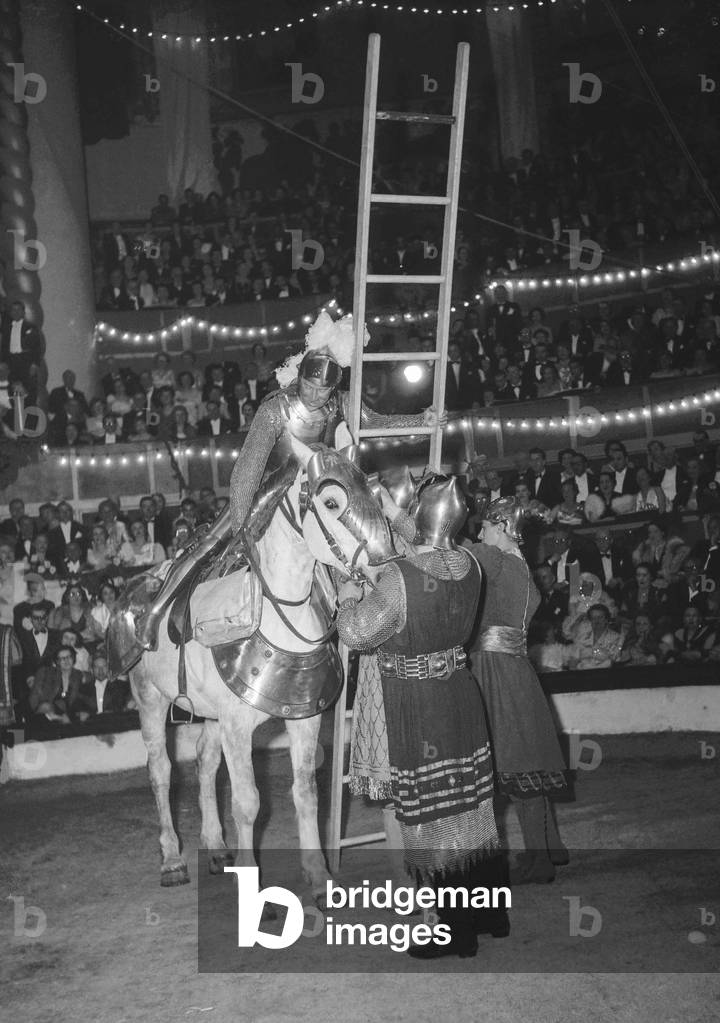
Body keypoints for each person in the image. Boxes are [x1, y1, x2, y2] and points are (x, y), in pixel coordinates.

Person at [132, 311, 444, 658]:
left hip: (327, 488)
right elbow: (246, 470)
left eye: (323, 389)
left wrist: (421, 420)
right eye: (310, 385)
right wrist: (242, 526)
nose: (316, 394)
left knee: (359, 540)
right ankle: (154, 612)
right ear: (300, 377)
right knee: (209, 543)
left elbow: (376, 424)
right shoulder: (276, 409)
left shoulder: (341, 402)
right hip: (275, 489)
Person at [337, 477, 509, 958]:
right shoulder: (469, 564)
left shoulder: (400, 576)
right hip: (460, 693)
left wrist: (347, 596)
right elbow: (429, 542)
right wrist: (397, 516)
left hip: (418, 702)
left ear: (420, 516)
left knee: (436, 814)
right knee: (472, 806)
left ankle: (454, 933)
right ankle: (490, 915)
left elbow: (357, 633)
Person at [469, 497, 568, 885]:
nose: (480, 535)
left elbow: (446, 549)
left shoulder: (495, 560)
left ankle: (540, 860)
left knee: (512, 763)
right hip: (516, 670)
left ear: (502, 528)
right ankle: (548, 849)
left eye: (485, 528)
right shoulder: (522, 566)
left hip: (493, 671)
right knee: (527, 758)